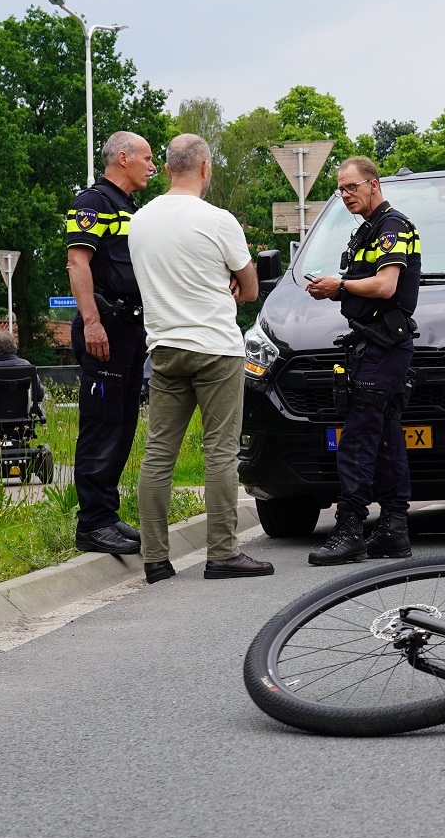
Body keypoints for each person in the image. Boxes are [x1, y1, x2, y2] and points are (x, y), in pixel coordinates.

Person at [127, 133, 275, 583]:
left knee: (158, 453)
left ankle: (154, 558)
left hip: (165, 347)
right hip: (215, 348)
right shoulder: (218, 220)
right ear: (206, 168)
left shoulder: (141, 222)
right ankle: (223, 553)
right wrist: (228, 282)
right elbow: (249, 289)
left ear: (168, 168)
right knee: (220, 452)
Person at [303, 156, 421, 566]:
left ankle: (351, 528)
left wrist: (340, 285)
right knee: (387, 435)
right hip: (373, 342)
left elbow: (387, 286)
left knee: (357, 436)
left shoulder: (394, 227)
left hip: (386, 344)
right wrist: (336, 290)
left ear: (374, 184)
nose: (345, 194)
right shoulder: (369, 230)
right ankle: (393, 528)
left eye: (352, 187)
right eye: (340, 188)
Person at [65, 132, 152, 555]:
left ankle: (107, 515)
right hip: (105, 329)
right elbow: (77, 263)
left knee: (122, 425)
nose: (152, 166)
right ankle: (92, 524)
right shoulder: (91, 203)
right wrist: (92, 322)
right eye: (147, 158)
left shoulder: (129, 208)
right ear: (122, 158)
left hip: (131, 329)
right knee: (101, 426)